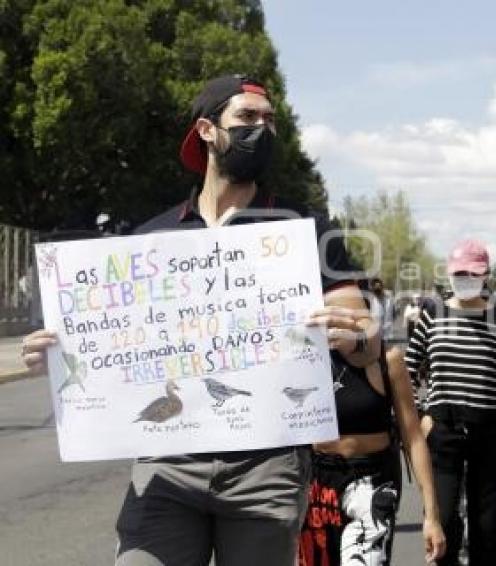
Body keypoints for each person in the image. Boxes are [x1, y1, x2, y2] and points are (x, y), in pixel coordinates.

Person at [21, 73, 382, 565]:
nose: (264, 129)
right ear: (207, 130)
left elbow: (364, 339)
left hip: (266, 469)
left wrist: (359, 333)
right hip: (166, 467)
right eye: (248, 117)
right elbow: (113, 345)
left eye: (270, 120)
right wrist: (59, 355)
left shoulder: (305, 230)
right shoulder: (152, 238)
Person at [405, 239, 496, 566]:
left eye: (473, 273)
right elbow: (407, 372)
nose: (466, 279)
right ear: (449, 274)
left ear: (486, 275)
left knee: (487, 527)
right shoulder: (432, 316)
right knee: (442, 523)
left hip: (491, 432)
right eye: (460, 273)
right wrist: (420, 416)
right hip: (443, 431)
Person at [298, 334, 446, 565]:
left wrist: (432, 515)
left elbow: (414, 439)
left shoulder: (388, 359)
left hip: (371, 482)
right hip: (316, 481)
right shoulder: (302, 357)